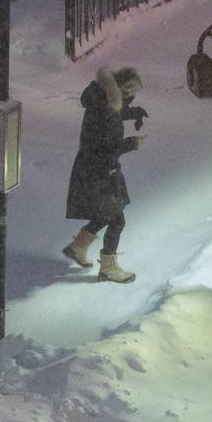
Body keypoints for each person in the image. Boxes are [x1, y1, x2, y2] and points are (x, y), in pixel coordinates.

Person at [63, 67, 146, 283]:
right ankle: (108, 268)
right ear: (123, 92)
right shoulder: (108, 110)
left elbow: (112, 114)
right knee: (117, 219)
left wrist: (133, 112)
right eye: (132, 94)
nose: (133, 98)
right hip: (100, 172)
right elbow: (108, 147)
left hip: (90, 169)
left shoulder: (100, 99)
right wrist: (133, 143)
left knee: (107, 213)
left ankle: (78, 246)